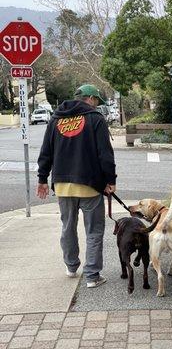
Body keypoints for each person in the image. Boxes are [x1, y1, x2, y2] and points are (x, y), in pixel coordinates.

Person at [36, 84, 117, 288]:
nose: (97, 104)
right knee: (94, 230)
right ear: (89, 98)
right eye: (96, 100)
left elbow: (46, 151)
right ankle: (92, 276)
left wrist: (42, 179)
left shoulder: (56, 119)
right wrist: (110, 180)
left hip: (62, 184)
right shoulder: (95, 119)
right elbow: (105, 154)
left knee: (68, 227)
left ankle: (71, 267)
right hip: (89, 184)